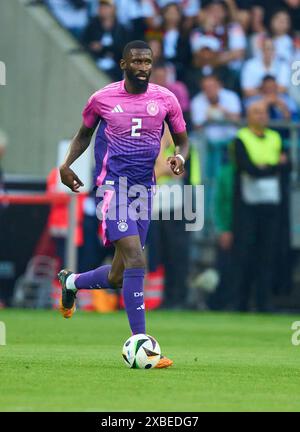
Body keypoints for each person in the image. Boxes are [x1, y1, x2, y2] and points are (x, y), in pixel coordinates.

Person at [58, 40, 189, 368]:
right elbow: (84, 135)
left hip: (144, 192)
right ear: (123, 64)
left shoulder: (165, 99)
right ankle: (142, 343)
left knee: (119, 276)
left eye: (148, 61)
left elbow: (183, 140)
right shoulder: (102, 99)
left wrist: (178, 157)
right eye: (137, 61)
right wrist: (66, 164)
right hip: (112, 189)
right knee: (136, 260)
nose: (143, 67)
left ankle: (71, 282)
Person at [231, 101, 291, 312]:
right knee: (245, 254)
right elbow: (247, 168)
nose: (261, 116)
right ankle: (241, 303)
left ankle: (265, 303)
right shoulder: (241, 138)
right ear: (248, 116)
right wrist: (274, 167)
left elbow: (288, 165)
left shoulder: (275, 138)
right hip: (247, 207)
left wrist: (265, 167)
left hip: (271, 206)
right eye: (256, 112)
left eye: (264, 112)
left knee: (267, 255)